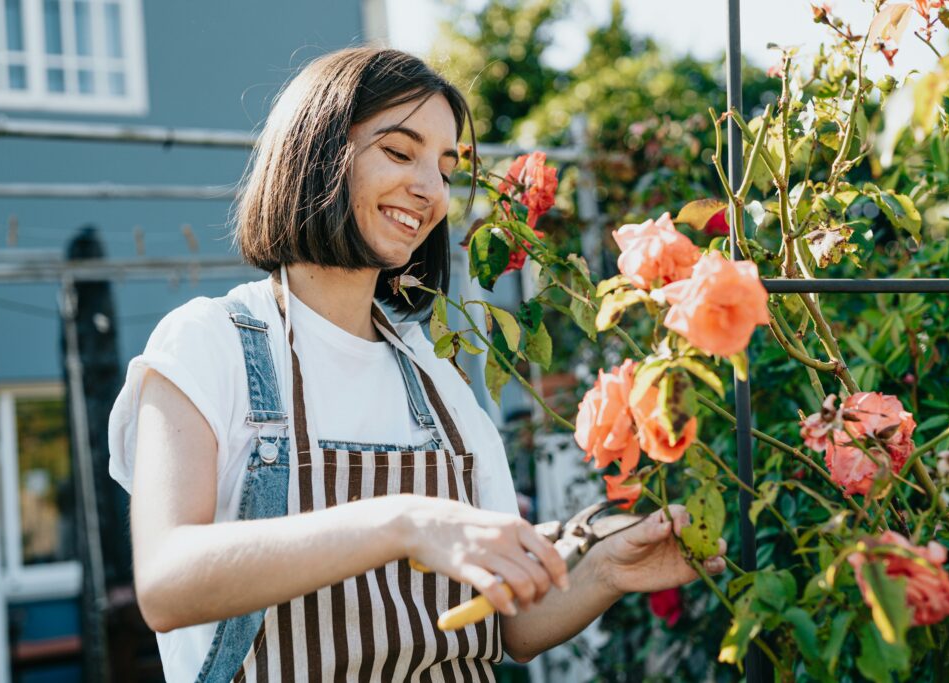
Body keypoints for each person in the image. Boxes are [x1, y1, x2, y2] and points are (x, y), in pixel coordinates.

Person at [108, 47, 726, 683]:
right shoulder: (210, 344)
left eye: (445, 169)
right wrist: (400, 523)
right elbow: (165, 583)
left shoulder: (432, 378)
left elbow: (507, 627)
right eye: (400, 153)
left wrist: (603, 571)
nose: (431, 190)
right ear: (315, 152)